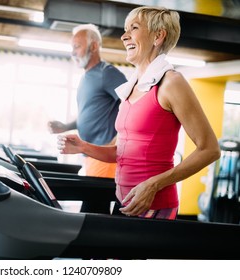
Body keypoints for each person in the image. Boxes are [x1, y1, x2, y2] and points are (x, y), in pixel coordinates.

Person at [57, 6, 221, 220]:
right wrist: (84, 146)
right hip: (124, 200)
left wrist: (154, 184)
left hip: (154, 205)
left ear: (158, 36)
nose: (124, 36)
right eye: (126, 30)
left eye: (133, 28)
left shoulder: (171, 82)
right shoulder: (132, 86)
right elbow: (123, 152)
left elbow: (210, 149)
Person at [48, 23, 127, 179]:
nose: (73, 53)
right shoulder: (85, 77)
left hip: (104, 155)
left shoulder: (107, 73)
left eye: (77, 47)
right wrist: (66, 126)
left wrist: (117, 139)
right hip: (89, 153)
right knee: (94, 202)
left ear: (94, 46)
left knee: (93, 203)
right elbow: (88, 114)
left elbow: (133, 105)